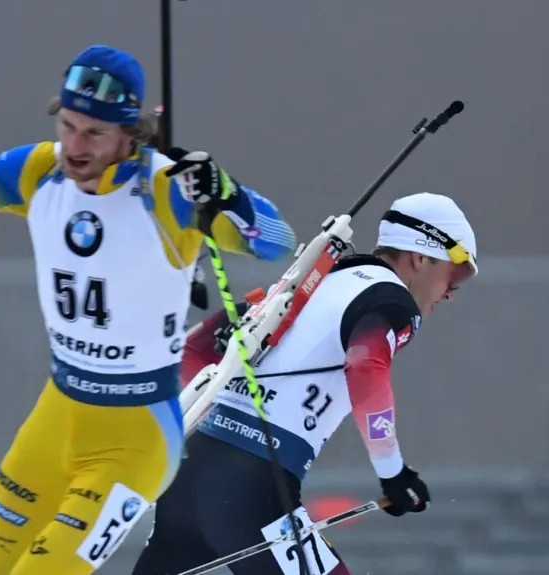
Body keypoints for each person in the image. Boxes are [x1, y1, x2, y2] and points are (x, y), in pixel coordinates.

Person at [0, 44, 297, 575]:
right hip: (58, 416)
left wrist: (225, 194)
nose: (75, 145)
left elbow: (277, 242)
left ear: (128, 134)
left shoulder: (164, 190)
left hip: (133, 441)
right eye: (68, 125)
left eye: (94, 133)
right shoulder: (36, 171)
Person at [132, 192, 478, 575]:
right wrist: (393, 472)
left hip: (190, 475)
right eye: (457, 272)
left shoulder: (313, 280)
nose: (450, 292)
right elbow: (365, 365)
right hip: (252, 488)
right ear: (421, 256)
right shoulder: (392, 302)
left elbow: (190, 351)